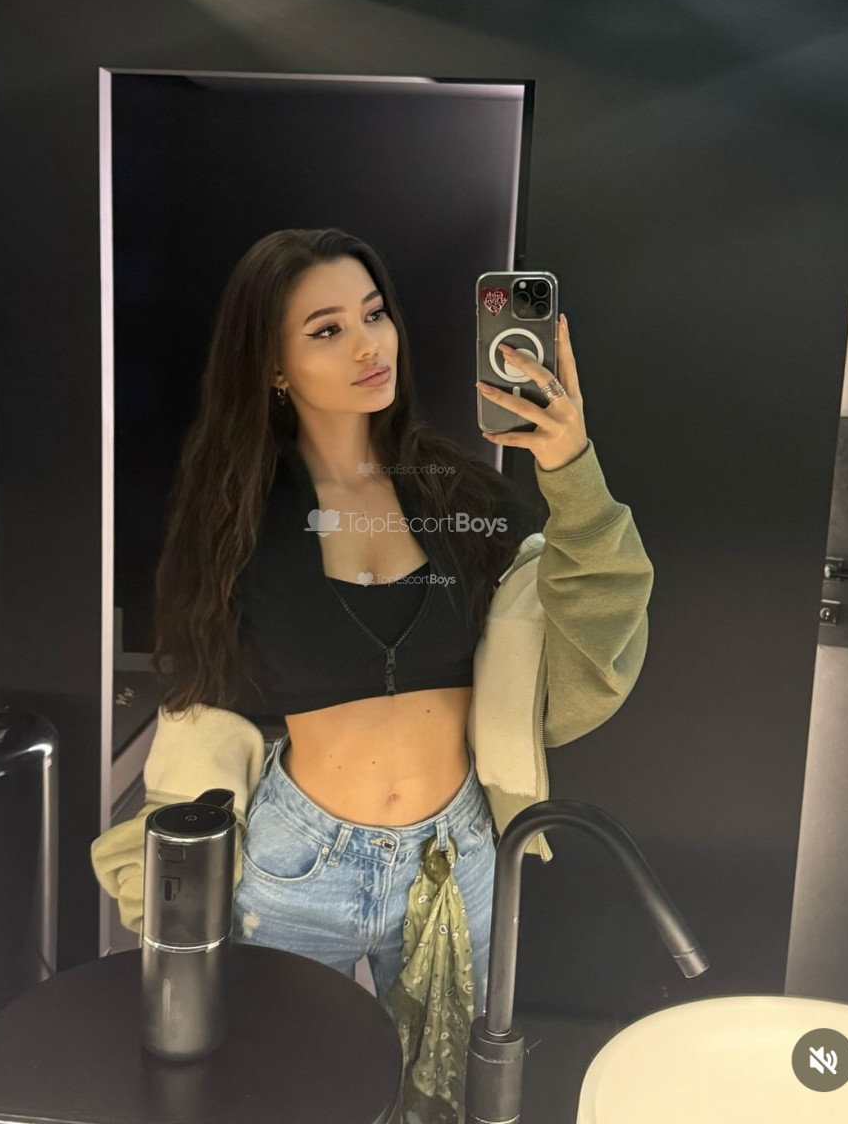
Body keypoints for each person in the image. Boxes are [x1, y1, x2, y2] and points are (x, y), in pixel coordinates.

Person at [96, 227, 654, 1124]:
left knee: (445, 1103)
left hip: (454, 858)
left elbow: (596, 615)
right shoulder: (236, 520)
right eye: (326, 330)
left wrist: (568, 467)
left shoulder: (455, 492)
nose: (368, 345)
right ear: (273, 366)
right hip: (297, 863)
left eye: (375, 314)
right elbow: (200, 700)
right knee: (278, 1098)